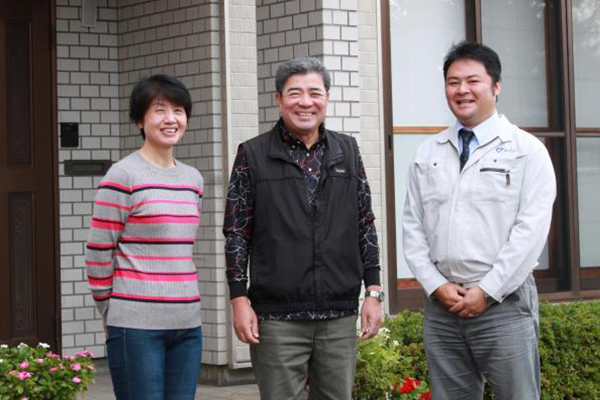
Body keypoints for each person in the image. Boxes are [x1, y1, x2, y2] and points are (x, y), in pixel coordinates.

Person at [402, 41, 556, 400]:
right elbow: (412, 227)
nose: (462, 90)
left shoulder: (526, 150)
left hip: (504, 304)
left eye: (473, 81)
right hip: (442, 306)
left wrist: (486, 292)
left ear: (496, 86)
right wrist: (435, 285)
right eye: (453, 82)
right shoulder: (428, 152)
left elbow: (530, 232)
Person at [223, 57, 383, 400]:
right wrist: (239, 298)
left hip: (338, 313)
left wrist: (373, 292)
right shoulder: (253, 155)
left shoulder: (347, 151)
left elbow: (365, 223)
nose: (305, 102)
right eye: (295, 93)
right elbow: (237, 232)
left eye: (315, 93)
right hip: (277, 317)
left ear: (327, 98)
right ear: (279, 99)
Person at [85, 74, 204, 400]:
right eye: (159, 110)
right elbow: (99, 250)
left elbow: (179, 248)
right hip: (136, 326)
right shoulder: (123, 175)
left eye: (178, 111)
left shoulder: (193, 179)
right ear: (140, 119)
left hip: (187, 324)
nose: (171, 119)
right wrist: (110, 310)